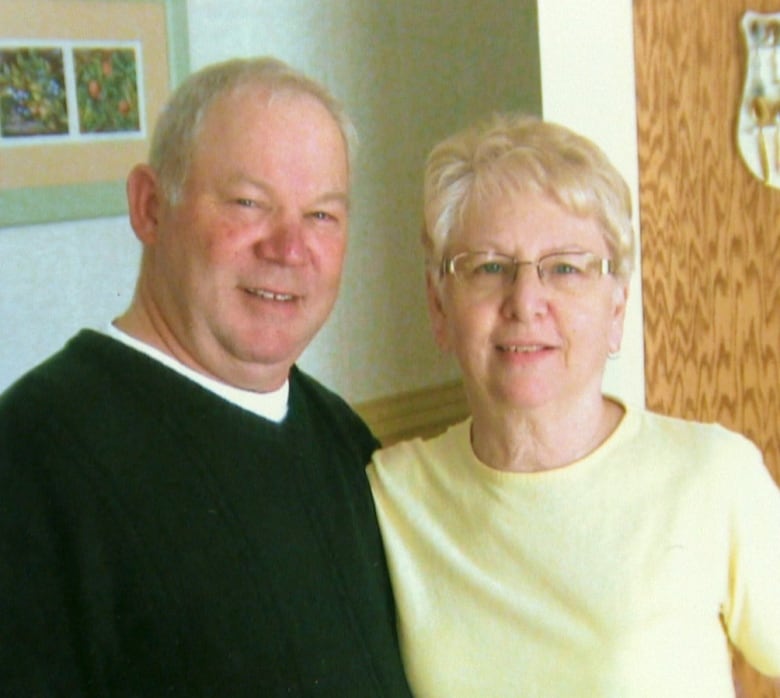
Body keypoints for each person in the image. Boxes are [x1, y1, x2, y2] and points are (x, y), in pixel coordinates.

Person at [0, 57, 412, 697]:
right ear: (149, 208)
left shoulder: (344, 440)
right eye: (249, 203)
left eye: (322, 216)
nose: (289, 248)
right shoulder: (31, 458)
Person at [367, 114, 780, 697]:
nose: (526, 301)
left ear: (616, 307)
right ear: (440, 308)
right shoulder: (390, 497)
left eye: (565, 267)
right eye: (489, 268)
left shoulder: (711, 475)